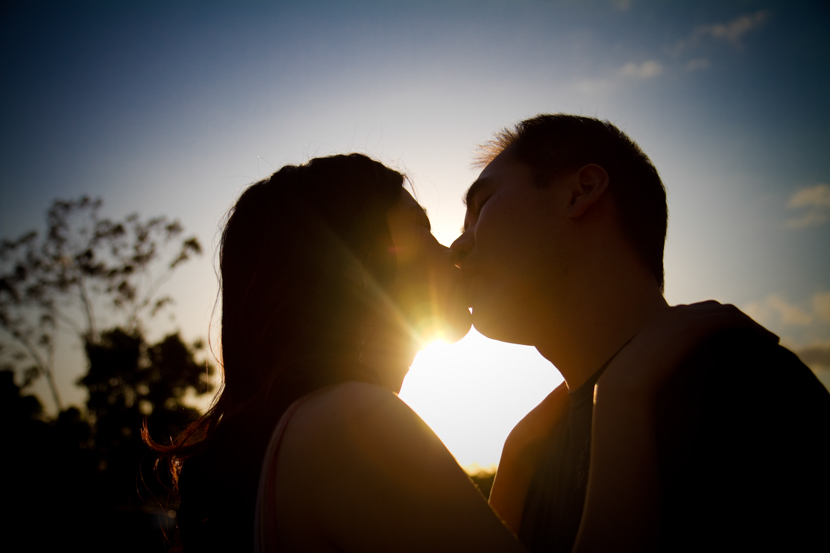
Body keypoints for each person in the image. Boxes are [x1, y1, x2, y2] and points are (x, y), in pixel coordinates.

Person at [146, 153, 773, 552]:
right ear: (350, 265)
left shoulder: (307, 429)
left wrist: (518, 457)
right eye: (421, 231)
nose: (454, 249)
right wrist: (626, 394)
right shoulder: (348, 421)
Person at [450, 114, 830, 552]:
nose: (458, 247)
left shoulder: (747, 386)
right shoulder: (534, 452)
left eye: (482, 206)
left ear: (581, 191)